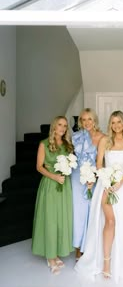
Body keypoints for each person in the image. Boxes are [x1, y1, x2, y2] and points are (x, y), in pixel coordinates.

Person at [74, 110, 123, 284]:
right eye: (113, 122)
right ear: (110, 124)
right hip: (106, 185)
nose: (116, 126)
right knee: (110, 221)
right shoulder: (105, 141)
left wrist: (120, 182)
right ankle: (106, 263)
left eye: (119, 122)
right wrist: (107, 182)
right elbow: (99, 164)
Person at [32, 116, 74, 275]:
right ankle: (50, 257)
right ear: (54, 126)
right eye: (59, 125)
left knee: (60, 219)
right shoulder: (44, 144)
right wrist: (54, 176)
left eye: (65, 126)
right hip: (50, 184)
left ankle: (56, 253)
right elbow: (39, 167)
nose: (62, 128)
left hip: (64, 186)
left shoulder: (68, 145)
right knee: (50, 219)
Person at [71, 108, 104, 261]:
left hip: (94, 178)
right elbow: (70, 157)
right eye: (83, 120)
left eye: (89, 119)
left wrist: (95, 177)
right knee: (78, 212)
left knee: (92, 212)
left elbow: (103, 162)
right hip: (77, 177)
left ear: (95, 120)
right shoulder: (75, 136)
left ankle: (90, 247)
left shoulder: (103, 137)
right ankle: (78, 247)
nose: (87, 123)